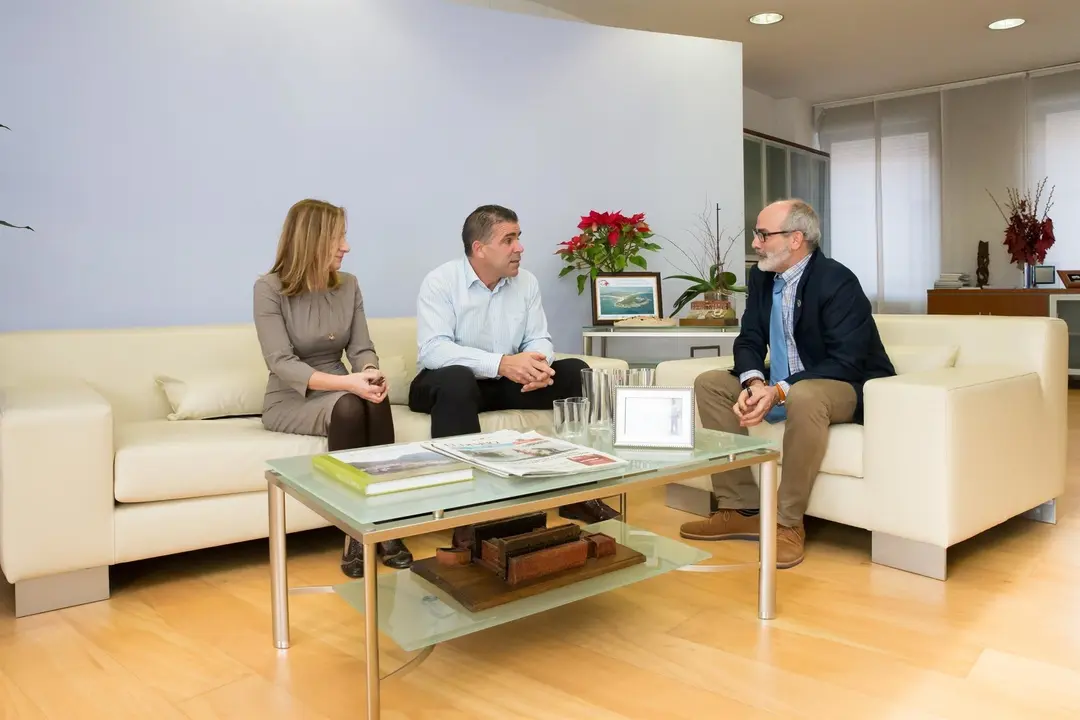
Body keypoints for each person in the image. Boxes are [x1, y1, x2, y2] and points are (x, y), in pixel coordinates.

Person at [679, 199, 895, 568]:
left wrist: (779, 390)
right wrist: (754, 381)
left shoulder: (837, 281)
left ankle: (787, 522)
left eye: (763, 235)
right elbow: (749, 339)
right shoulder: (762, 278)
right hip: (784, 381)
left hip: (844, 383)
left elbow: (846, 360)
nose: (755, 243)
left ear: (796, 239)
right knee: (710, 383)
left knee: (805, 395)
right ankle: (741, 508)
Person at [408, 204, 619, 525]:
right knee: (457, 380)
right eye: (508, 240)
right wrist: (502, 364)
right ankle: (468, 512)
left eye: (518, 237)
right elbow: (434, 350)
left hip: (504, 385)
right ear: (479, 248)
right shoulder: (441, 281)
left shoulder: (526, 282)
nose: (519, 248)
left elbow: (538, 338)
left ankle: (580, 493)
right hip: (445, 385)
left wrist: (538, 365)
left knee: (575, 372)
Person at [253, 198, 414, 579]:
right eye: (338, 238)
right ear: (313, 240)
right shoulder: (269, 289)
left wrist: (370, 373)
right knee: (350, 404)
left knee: (373, 398)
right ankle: (353, 533)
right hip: (292, 396)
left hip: (342, 387)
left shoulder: (349, 286)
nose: (346, 246)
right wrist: (348, 383)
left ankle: (386, 521)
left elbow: (360, 348)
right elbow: (281, 362)